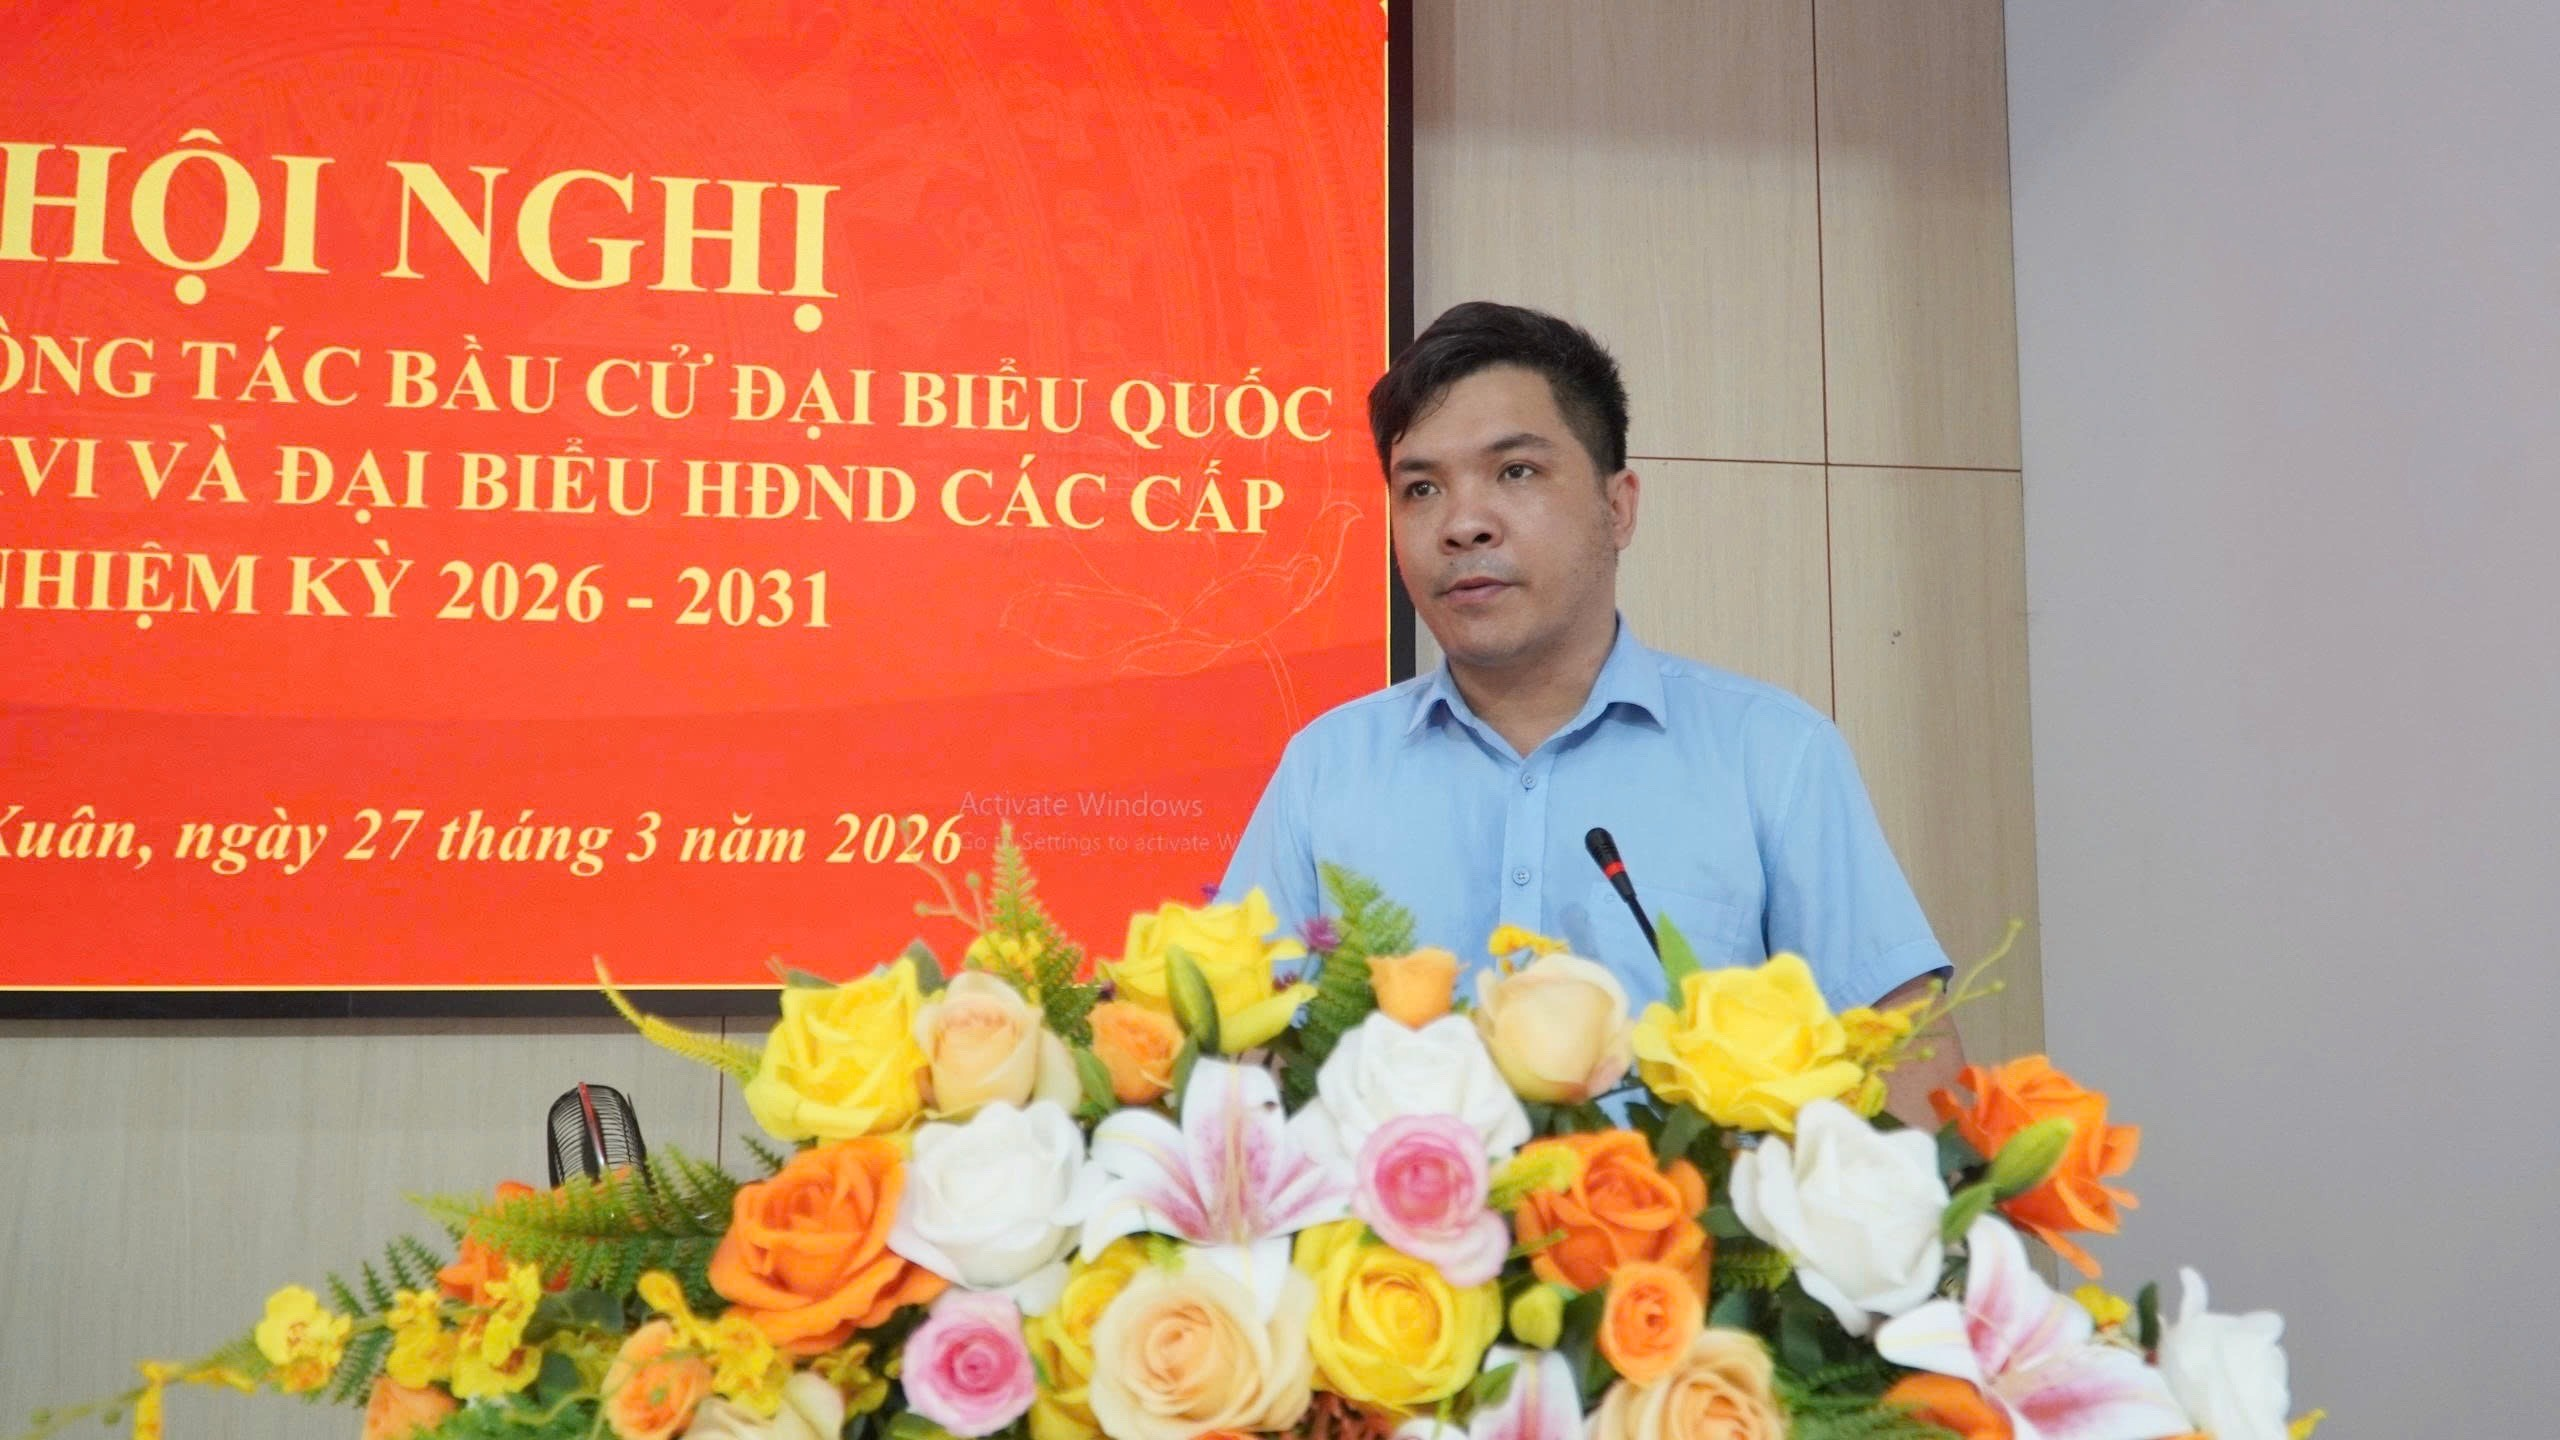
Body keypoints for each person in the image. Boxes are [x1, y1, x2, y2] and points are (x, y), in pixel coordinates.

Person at [1219, 301, 1964, 1117]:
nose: (1463, 524)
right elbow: (1234, 1077)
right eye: (1421, 488)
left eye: (1515, 472)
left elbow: (1911, 1080)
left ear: (1619, 508)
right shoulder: (1327, 768)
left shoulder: (1772, 755)